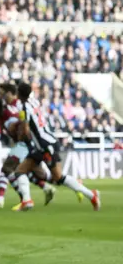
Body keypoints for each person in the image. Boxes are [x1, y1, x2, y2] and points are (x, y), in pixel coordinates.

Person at [13, 83, 101, 212]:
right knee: (21, 170)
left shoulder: (24, 107)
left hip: (45, 145)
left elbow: (25, 128)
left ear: (19, 94)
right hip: (43, 144)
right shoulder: (34, 101)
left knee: (58, 177)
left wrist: (20, 136)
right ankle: (26, 201)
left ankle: (91, 195)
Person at [0, 83, 58, 210]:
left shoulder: (12, 110)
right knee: (33, 173)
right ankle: (47, 188)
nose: (1, 96)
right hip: (26, 144)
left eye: (2, 93)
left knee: (8, 169)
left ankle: (6, 199)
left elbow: (22, 126)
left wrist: (18, 132)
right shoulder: (9, 110)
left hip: (26, 145)